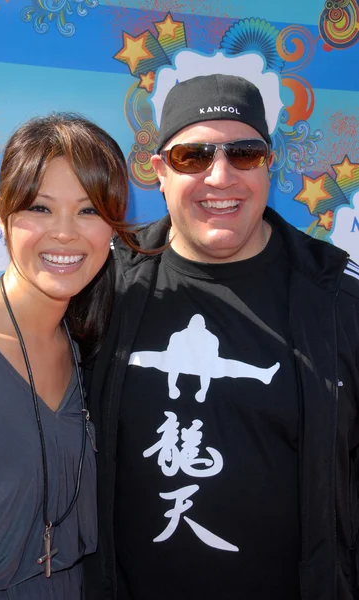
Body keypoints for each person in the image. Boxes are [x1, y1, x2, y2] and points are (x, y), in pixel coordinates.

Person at [84, 74, 359, 599]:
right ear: (159, 171)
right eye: (193, 156)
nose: (221, 176)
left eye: (245, 153)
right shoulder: (103, 289)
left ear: (269, 165)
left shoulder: (337, 302)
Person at [0, 112, 139, 599]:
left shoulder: (90, 350)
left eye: (88, 210)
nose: (65, 233)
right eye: (40, 207)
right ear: (3, 211)